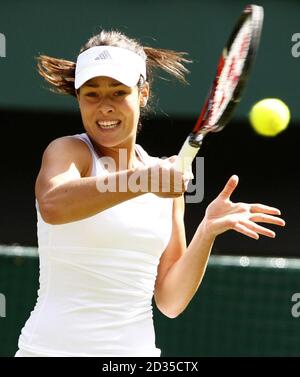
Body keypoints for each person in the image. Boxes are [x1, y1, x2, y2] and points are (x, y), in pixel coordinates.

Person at [15, 29, 285, 357]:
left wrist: (207, 231)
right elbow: (54, 205)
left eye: (118, 92)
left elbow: (170, 300)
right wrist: (143, 179)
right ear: (78, 96)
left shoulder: (164, 182)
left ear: (142, 94)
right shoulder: (70, 152)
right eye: (91, 94)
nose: (105, 107)